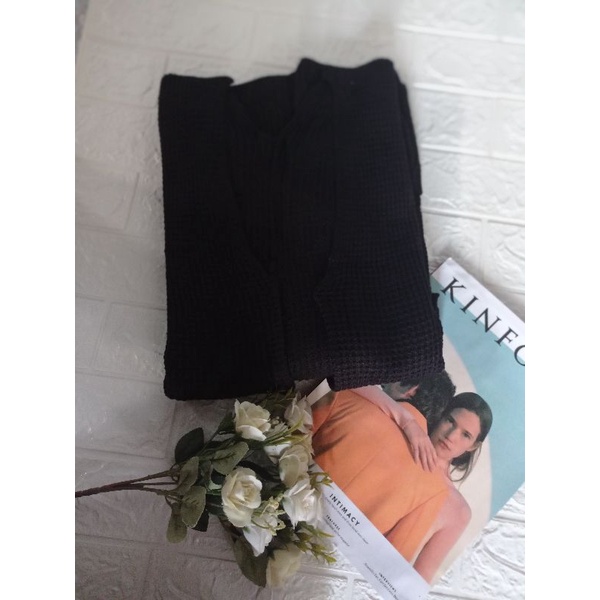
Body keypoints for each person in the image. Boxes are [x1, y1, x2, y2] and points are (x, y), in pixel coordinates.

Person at [311, 386, 492, 583]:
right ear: (441, 415)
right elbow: (348, 385)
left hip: (348, 570)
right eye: (450, 420)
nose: (451, 436)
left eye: (466, 435)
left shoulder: (457, 510)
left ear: (474, 445)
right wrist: (406, 421)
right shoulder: (393, 428)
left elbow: (418, 579)